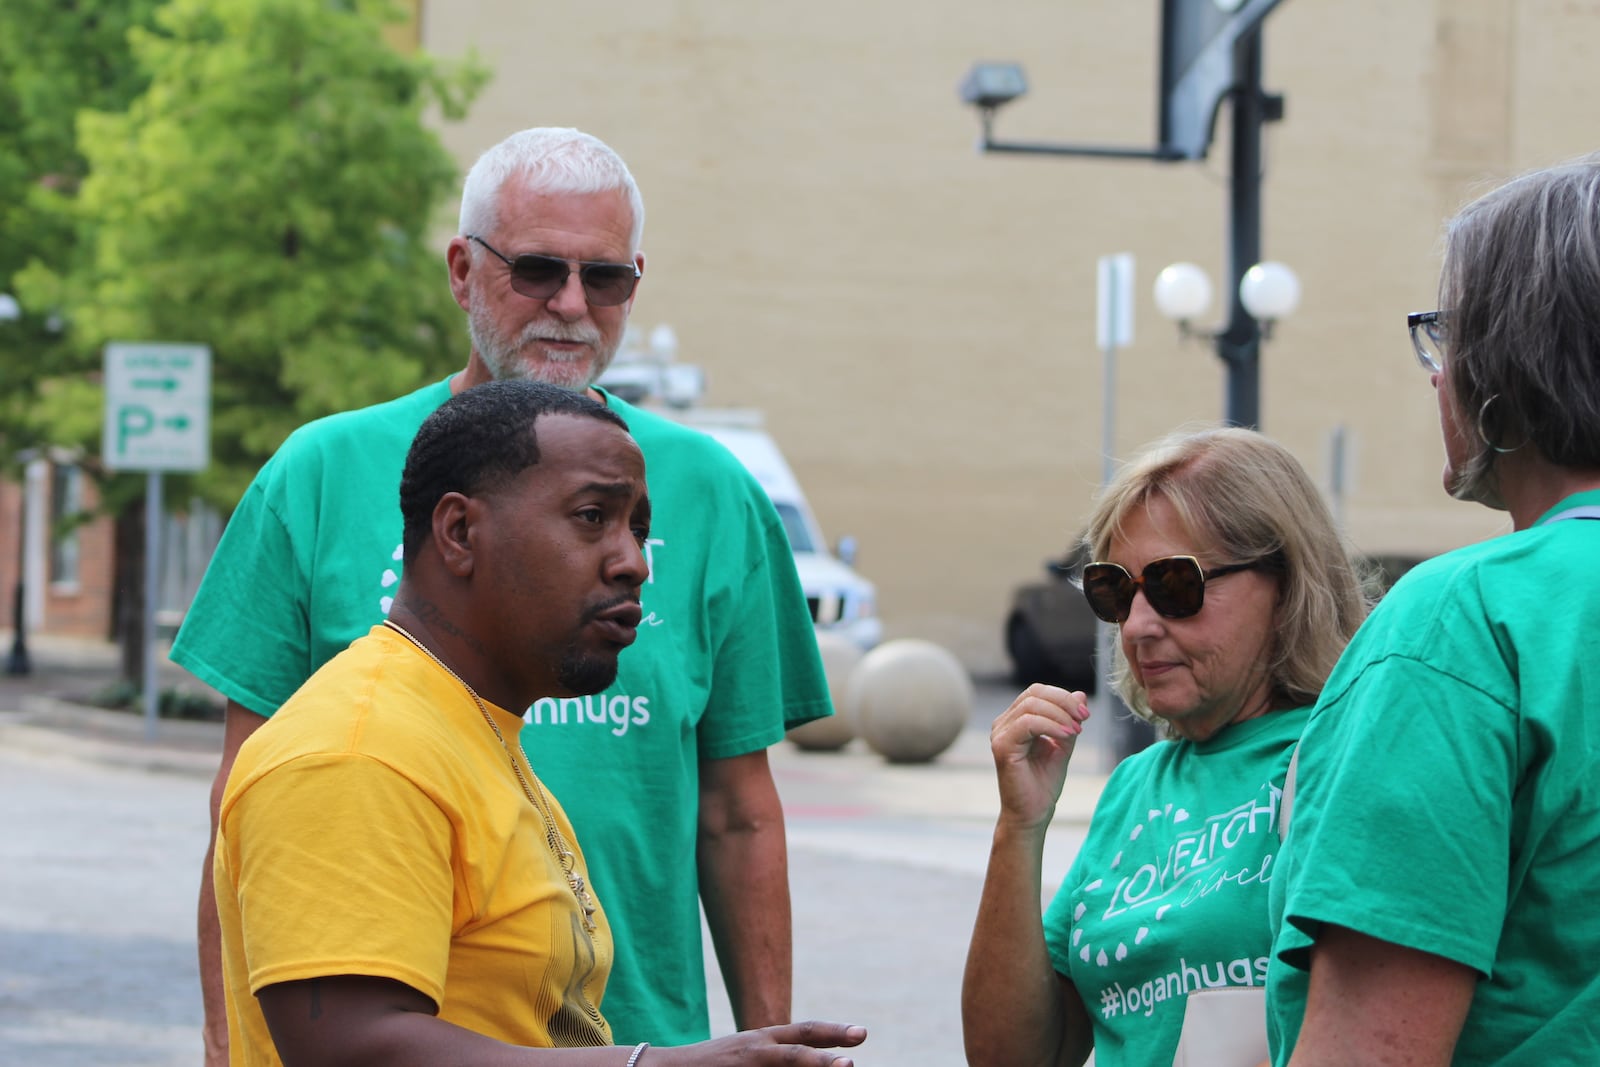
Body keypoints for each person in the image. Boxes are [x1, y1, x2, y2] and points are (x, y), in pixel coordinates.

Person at [174, 127, 832, 1064]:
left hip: (623, 1025)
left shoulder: (716, 487)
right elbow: (245, 806)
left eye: (605, 278)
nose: (572, 304)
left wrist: (755, 1041)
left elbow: (740, 808)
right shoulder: (318, 478)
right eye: (536, 269)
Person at [215, 378, 866, 1067]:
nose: (633, 562)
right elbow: (350, 1046)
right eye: (593, 517)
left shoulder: (475, 730)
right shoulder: (354, 751)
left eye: (638, 527)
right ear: (460, 531)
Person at [1266, 156, 1600, 1065]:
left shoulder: (1468, 619)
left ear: (1508, 366)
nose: (1434, 376)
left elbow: (1372, 1048)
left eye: (1446, 336)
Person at [961, 427, 1368, 1067]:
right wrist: (1020, 827)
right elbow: (1012, 1058)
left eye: (1176, 586)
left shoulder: (1345, 757)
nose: (1140, 626)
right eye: (1116, 591)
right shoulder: (1135, 786)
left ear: (1286, 585)